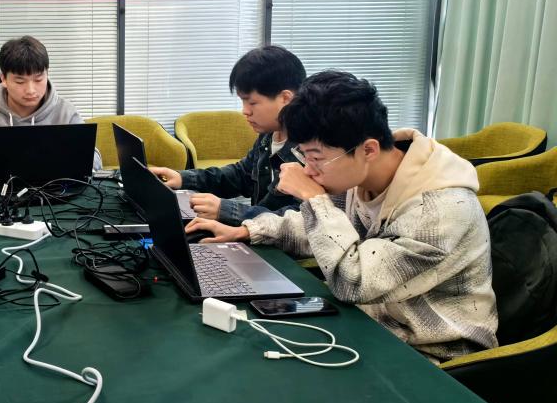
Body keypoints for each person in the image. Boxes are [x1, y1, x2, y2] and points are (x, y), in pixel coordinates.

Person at [185, 70, 498, 361]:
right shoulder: (359, 175)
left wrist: (314, 198)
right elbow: (314, 228)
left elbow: (354, 282)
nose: (308, 170)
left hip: (433, 353)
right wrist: (247, 231)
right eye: (304, 156)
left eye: (316, 157)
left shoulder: (440, 210)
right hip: (372, 323)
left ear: (368, 150)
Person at [149, 45, 306, 225]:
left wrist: (224, 210)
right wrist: (182, 178)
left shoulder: (310, 150)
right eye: (243, 102)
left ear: (285, 98)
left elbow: (297, 220)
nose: (245, 111)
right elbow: (240, 175)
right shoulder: (268, 136)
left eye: (252, 103)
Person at [0, 35, 102, 175]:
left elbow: (93, 156)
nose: (31, 90)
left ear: (47, 74)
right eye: (20, 81)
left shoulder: (65, 111)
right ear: (3, 79)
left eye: (38, 79)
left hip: (55, 194)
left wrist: (79, 161)